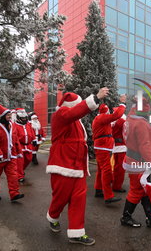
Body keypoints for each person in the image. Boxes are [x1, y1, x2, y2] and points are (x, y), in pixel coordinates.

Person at [46, 88, 108, 246]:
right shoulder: (60, 115)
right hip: (63, 166)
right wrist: (95, 97)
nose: (80, 106)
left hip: (78, 167)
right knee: (61, 199)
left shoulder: (75, 120)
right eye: (78, 104)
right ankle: (53, 217)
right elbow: (73, 113)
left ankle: (76, 232)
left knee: (79, 200)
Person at [121, 97, 151, 228]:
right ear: (146, 113)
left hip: (134, 159)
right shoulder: (141, 124)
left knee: (144, 190)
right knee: (137, 190)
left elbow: (132, 111)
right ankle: (126, 217)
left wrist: (136, 102)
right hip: (140, 162)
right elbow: (145, 146)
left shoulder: (131, 118)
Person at [92, 95, 126, 204]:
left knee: (100, 170)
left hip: (101, 146)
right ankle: (108, 196)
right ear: (105, 112)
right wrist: (122, 104)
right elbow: (117, 115)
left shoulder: (98, 118)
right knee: (106, 170)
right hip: (103, 146)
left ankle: (98, 190)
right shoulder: (102, 117)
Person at [0, 103, 24, 202]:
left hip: (11, 155)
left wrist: (19, 152)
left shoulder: (12, 125)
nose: (10, 116)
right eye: (8, 115)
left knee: (13, 175)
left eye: (10, 115)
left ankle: (14, 194)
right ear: (3, 115)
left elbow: (15, 139)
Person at [13, 108, 36, 182]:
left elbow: (32, 132)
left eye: (25, 118)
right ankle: (20, 176)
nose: (24, 119)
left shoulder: (28, 124)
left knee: (29, 159)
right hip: (20, 145)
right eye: (22, 118)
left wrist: (34, 139)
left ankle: (20, 171)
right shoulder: (14, 125)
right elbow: (13, 136)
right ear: (19, 118)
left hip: (28, 145)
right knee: (20, 161)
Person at [111, 108, 127, 192]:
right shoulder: (122, 122)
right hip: (121, 147)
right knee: (120, 168)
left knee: (115, 166)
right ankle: (117, 186)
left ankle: (114, 180)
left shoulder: (112, 122)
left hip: (115, 146)